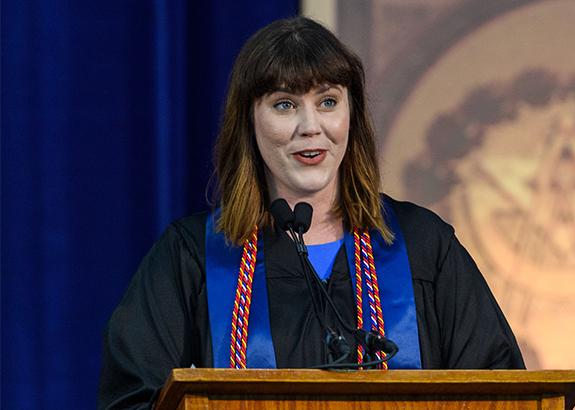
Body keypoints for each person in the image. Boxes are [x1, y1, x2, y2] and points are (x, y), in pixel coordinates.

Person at [97, 16, 524, 409]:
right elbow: (133, 401)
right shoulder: (193, 258)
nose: (310, 127)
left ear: (352, 114)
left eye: (328, 101)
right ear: (249, 120)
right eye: (285, 104)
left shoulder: (422, 246)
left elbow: (501, 393)